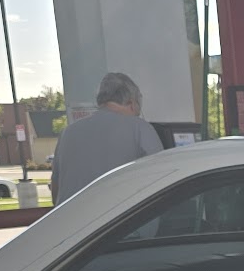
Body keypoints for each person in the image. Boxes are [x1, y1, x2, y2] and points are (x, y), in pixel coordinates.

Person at [47, 71, 165, 203]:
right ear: (132, 103)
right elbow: (161, 180)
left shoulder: (67, 133)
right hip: (120, 214)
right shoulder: (140, 128)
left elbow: (55, 191)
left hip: (69, 215)